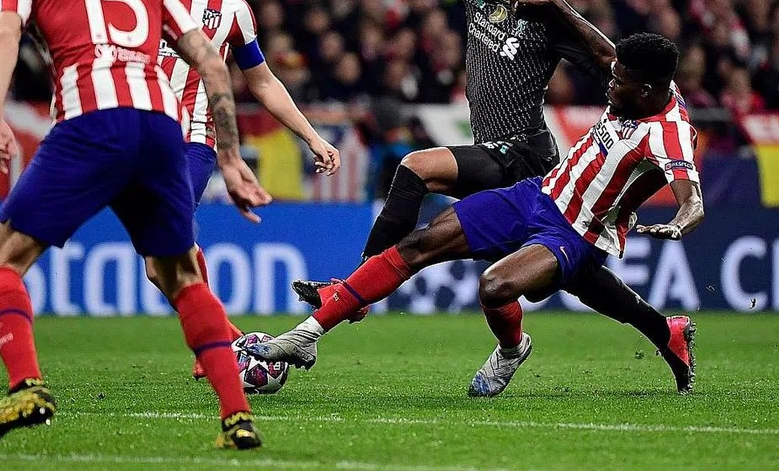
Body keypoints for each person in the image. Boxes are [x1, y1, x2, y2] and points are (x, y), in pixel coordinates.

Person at [294, 0, 690, 390]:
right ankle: (663, 330)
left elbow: (617, 64)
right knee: (582, 281)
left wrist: (562, 7)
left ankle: (357, 293)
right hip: (493, 153)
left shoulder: (545, 17)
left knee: (419, 168)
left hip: (529, 156)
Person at [0, 0, 271, 452]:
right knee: (179, 273)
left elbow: (3, 33)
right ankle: (237, 415)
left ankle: (26, 384)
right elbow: (207, 58)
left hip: (92, 122)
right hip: (160, 128)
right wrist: (228, 157)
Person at [249, 33, 702, 399]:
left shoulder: (670, 133)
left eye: (618, 80)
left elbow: (691, 198)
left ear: (645, 90)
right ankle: (307, 334)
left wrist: (680, 221)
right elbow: (603, 50)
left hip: (578, 234)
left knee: (496, 286)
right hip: (537, 195)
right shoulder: (640, 83)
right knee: (419, 244)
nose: (609, 83)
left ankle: (511, 350)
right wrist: (559, 9)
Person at [150, 0, 341, 380]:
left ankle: (213, 345)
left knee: (169, 247)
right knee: (159, 267)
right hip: (140, 139)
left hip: (194, 139)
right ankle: (226, 338)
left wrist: (311, 137)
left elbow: (263, 82)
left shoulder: (233, 11)